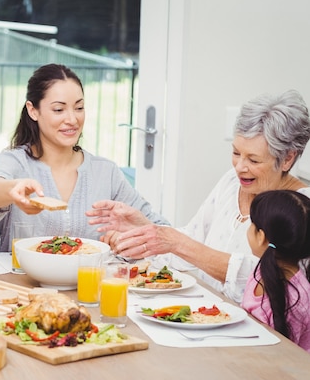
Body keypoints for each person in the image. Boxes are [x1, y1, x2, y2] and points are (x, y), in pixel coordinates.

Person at [88, 89, 310, 303]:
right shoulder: (232, 183)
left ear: (288, 158)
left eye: (253, 160)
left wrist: (175, 242)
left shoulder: (300, 208)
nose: (240, 167)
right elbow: (192, 241)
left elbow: (274, 279)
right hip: (206, 315)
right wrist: (143, 230)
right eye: (235, 153)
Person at [0, 63, 168, 252]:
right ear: (33, 110)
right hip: (23, 286)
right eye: (59, 109)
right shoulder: (15, 161)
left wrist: (128, 236)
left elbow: (159, 229)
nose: (72, 119)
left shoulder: (105, 172)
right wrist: (13, 189)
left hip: (88, 286)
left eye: (79, 108)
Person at [242, 190, 310, 352]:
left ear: (261, 237)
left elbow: (281, 358)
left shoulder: (296, 301)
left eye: (252, 224)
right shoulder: (262, 271)